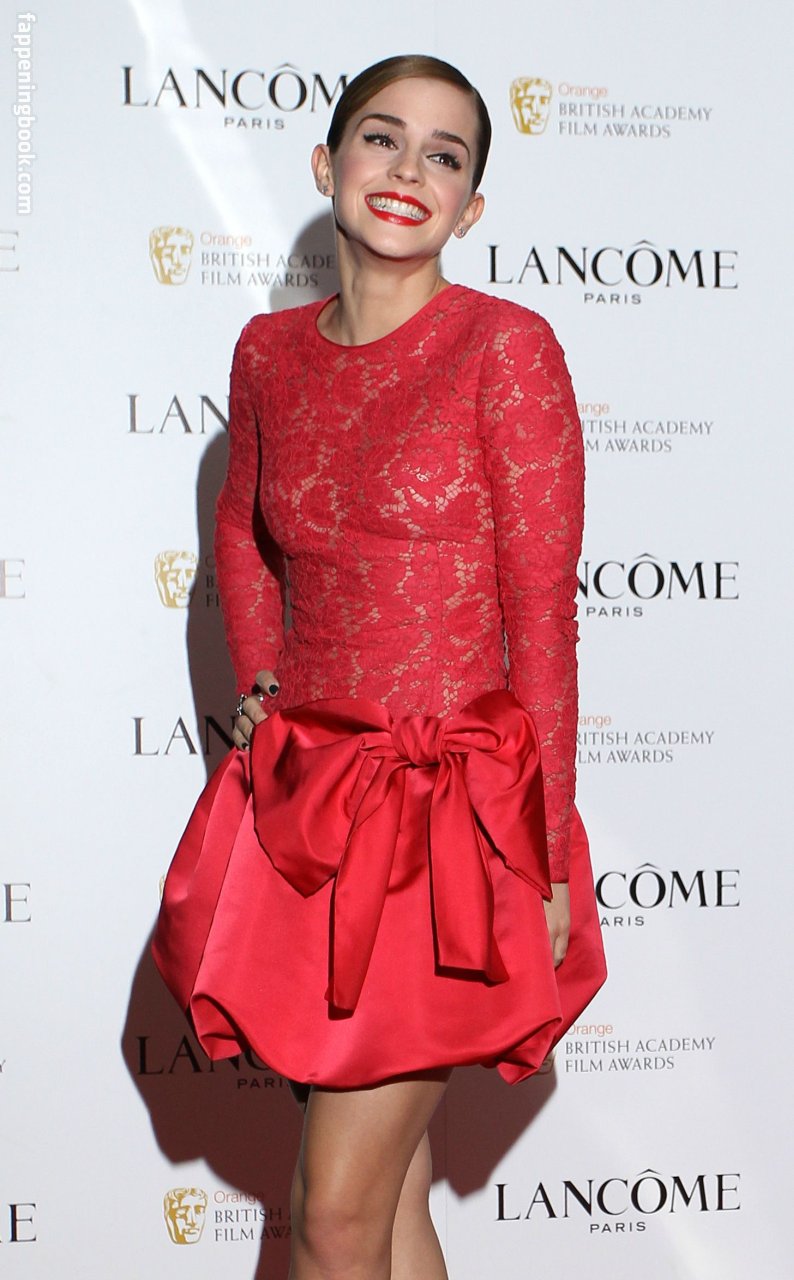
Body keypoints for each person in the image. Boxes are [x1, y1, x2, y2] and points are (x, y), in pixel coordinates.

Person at [153, 53, 606, 1280]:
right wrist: (261, 692)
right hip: (309, 814)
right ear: (326, 163)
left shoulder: (503, 348)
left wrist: (545, 852)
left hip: (448, 828)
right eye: (381, 137)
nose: (407, 169)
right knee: (387, 1205)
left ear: (470, 205)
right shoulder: (267, 352)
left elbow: (541, 617)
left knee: (333, 1214)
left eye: (443, 155)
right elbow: (241, 533)